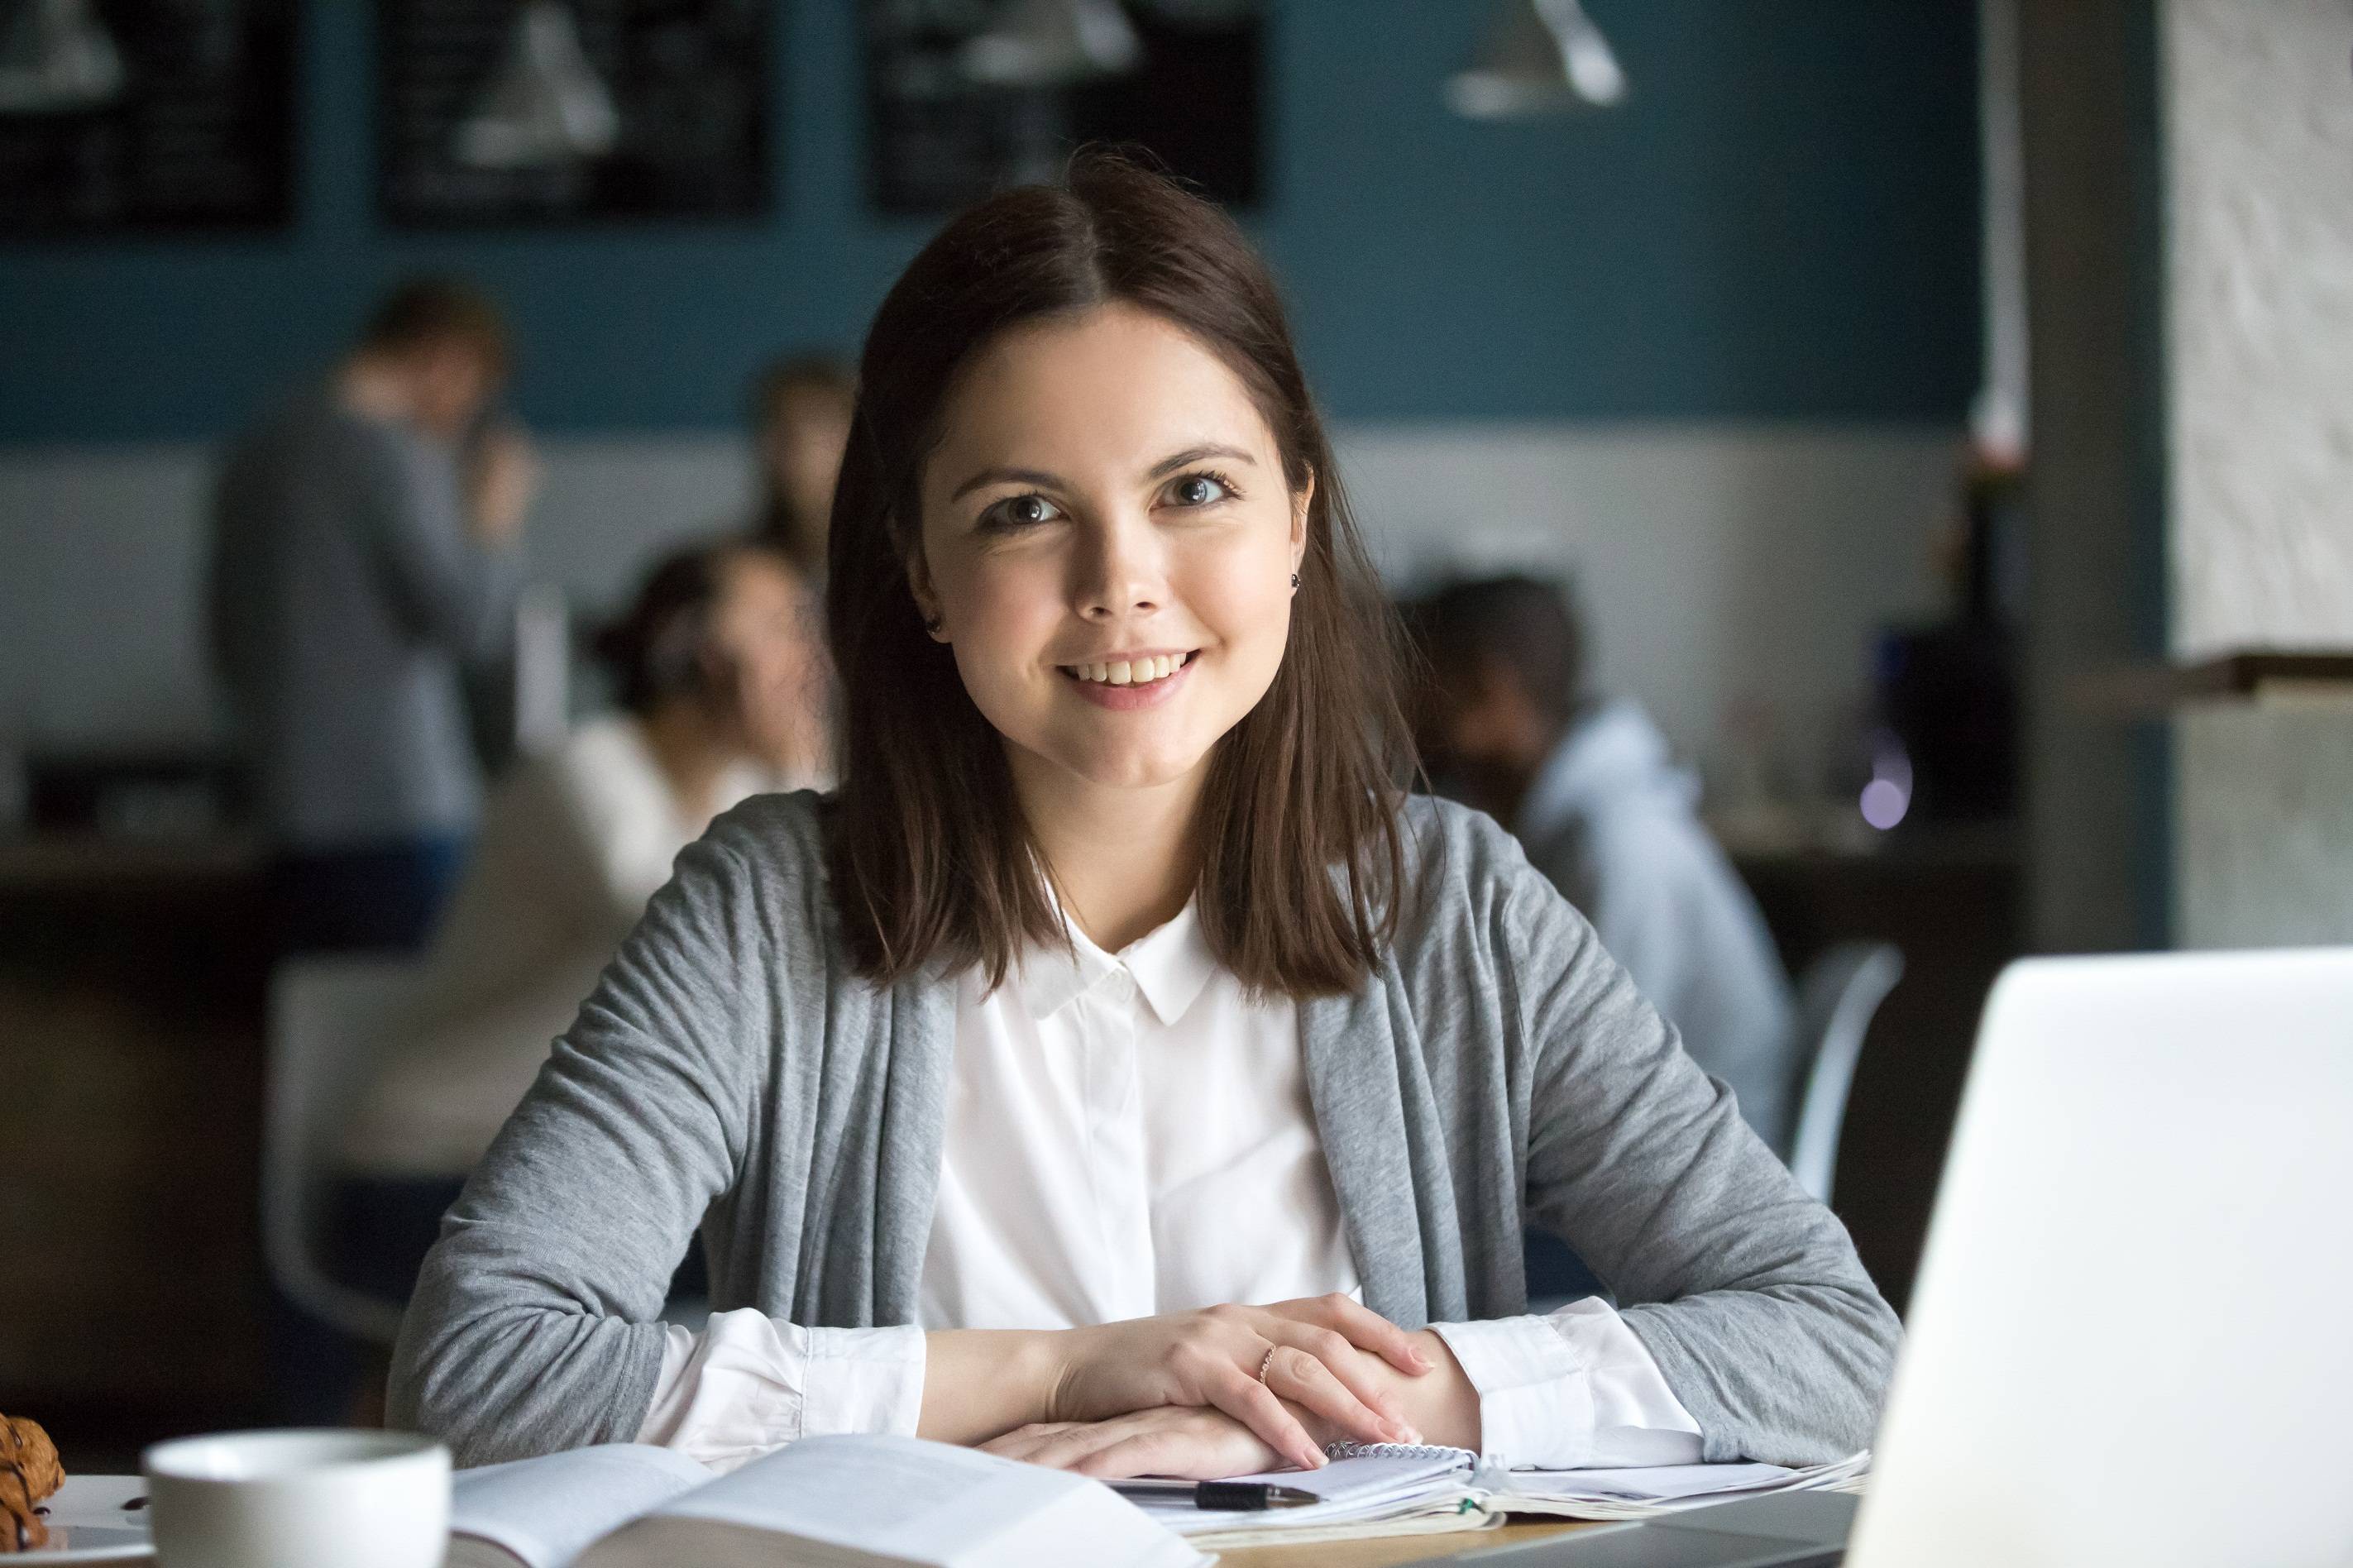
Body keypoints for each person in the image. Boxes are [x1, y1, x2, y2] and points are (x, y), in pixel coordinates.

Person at [392, 154, 1896, 1482]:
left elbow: (1834, 1345)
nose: (1123, 583)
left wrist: (1342, 1407)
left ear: (1296, 519)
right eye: (1023, 510)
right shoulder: (767, 909)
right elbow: (475, 1368)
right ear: (918, 566)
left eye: (1195, 489)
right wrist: (1053, 1370)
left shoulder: (1459, 907)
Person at [329, 538, 831, 1302]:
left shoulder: (746, 790)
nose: (806, 654)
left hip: (583, 1167)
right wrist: (799, 760)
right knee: (792, 1260)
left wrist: (794, 763)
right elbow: (695, 937)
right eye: (774, 624)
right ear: (689, 649)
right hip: (430, 1170)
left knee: (816, 1235)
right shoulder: (580, 770)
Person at [1413, 576, 1801, 1156]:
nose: (1402, 708)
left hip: (1692, 1176)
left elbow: (1597, 1077)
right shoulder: (1567, 823)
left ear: (1487, 688)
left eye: (1420, 682)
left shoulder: (1617, 842)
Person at [209, 277, 538, 953]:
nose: (466, 416)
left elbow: (220, 631)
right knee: (405, 1039)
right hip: (397, 806)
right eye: (474, 390)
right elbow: (470, 624)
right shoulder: (390, 453)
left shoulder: (256, 450)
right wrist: (494, 519)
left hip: (283, 799)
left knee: (311, 1034)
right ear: (445, 359)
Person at [748, 352, 855, 575]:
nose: (779, 449)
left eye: (809, 425)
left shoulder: (898, 563)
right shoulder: (742, 571)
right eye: (776, 429)